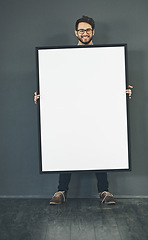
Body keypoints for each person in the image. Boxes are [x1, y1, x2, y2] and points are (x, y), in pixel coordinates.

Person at [34, 16, 133, 204]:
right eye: (81, 30)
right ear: (75, 33)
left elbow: (109, 80)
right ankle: (61, 191)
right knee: (68, 144)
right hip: (71, 111)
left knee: (99, 145)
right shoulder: (64, 57)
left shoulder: (106, 56)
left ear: (93, 32)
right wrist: (43, 95)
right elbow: (56, 80)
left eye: (88, 30)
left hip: (97, 111)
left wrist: (122, 90)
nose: (84, 33)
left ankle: (104, 191)